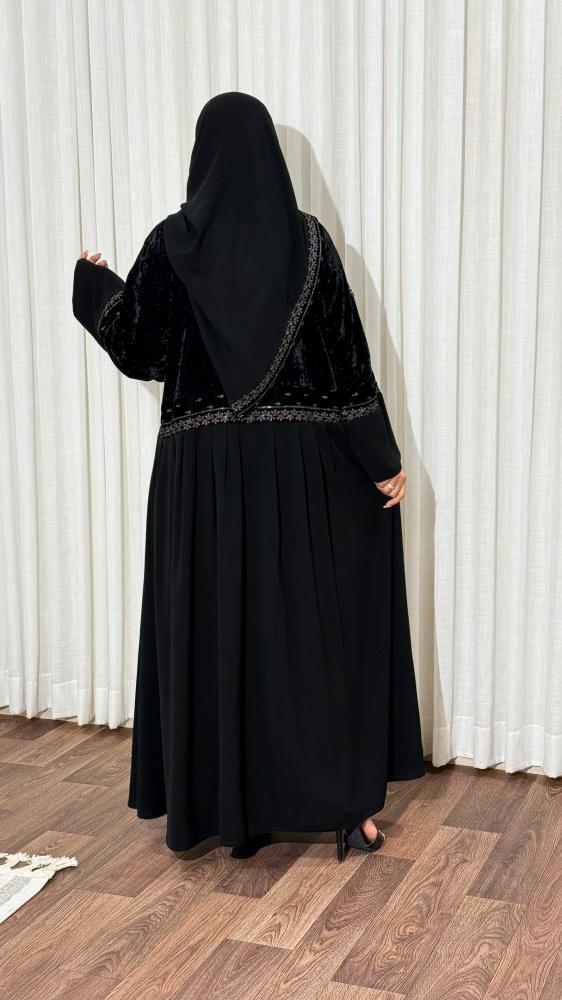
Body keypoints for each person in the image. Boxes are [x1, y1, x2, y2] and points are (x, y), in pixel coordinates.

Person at [72, 91, 425, 863]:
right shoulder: (308, 243)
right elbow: (347, 365)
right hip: (298, 475)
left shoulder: (171, 243)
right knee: (308, 640)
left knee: (218, 633)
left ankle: (219, 808)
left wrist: (94, 285)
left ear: (203, 158)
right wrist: (382, 461)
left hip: (200, 478)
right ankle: (345, 806)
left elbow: (139, 348)